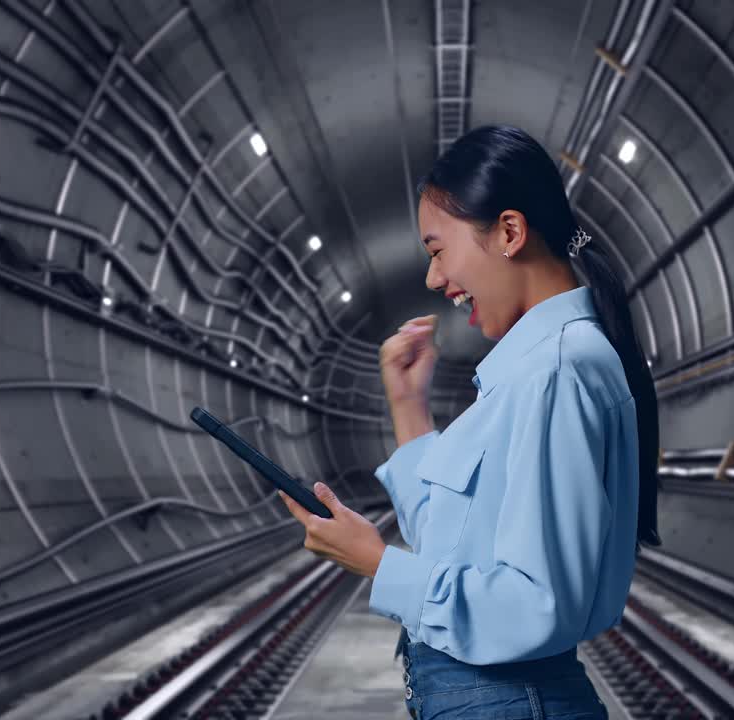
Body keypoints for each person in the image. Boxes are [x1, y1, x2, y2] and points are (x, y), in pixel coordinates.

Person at [278, 124, 660, 719]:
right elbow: (454, 553)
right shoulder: (532, 370)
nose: (433, 279)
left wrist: (379, 565)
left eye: (436, 250)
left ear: (509, 232)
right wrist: (407, 405)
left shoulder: (554, 372)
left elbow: (536, 604)